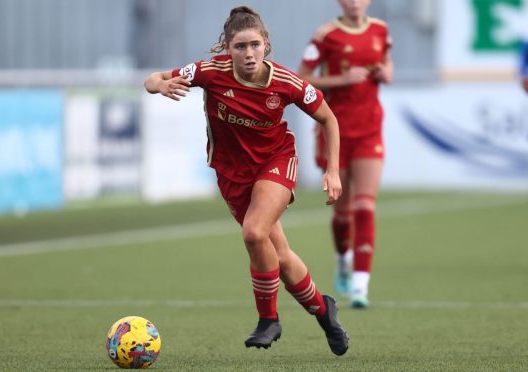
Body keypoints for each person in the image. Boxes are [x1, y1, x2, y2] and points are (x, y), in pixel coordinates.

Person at [144, 6, 349, 355]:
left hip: (276, 162)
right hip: (232, 174)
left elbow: (329, 119)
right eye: (240, 46)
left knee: (254, 232)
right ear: (228, 48)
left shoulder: (286, 83)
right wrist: (160, 84)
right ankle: (322, 309)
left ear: (266, 45)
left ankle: (268, 320)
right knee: (279, 256)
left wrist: (332, 170)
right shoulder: (209, 73)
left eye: (254, 44)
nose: (248, 53)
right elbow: (152, 79)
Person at [297, 0, 393, 309]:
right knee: (343, 212)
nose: (355, 2)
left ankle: (360, 286)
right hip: (335, 132)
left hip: (369, 130)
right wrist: (342, 79)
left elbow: (388, 62)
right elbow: (303, 78)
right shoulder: (326, 35)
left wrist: (386, 73)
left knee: (365, 205)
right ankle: (342, 260)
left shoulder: (380, 29)